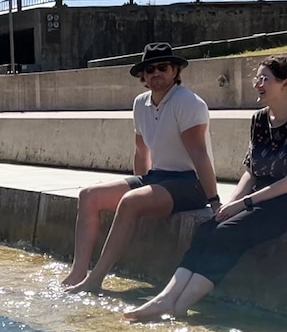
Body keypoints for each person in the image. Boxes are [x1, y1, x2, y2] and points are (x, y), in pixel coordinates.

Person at [124, 55, 287, 322]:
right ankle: (167, 298)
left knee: (230, 232)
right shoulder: (259, 119)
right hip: (266, 195)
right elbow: (252, 172)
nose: (257, 84)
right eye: (257, 78)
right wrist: (227, 206)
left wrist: (243, 205)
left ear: (285, 84)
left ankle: (181, 305)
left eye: (264, 79)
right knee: (210, 227)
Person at [62, 42, 220, 293]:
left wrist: (213, 200)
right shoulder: (140, 103)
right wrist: (141, 184)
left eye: (162, 67)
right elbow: (141, 150)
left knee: (130, 201)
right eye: (149, 69)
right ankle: (78, 273)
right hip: (157, 177)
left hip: (191, 183)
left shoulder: (188, 102)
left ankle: (95, 280)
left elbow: (199, 153)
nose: (155, 73)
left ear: (175, 71)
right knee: (89, 196)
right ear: (143, 76)